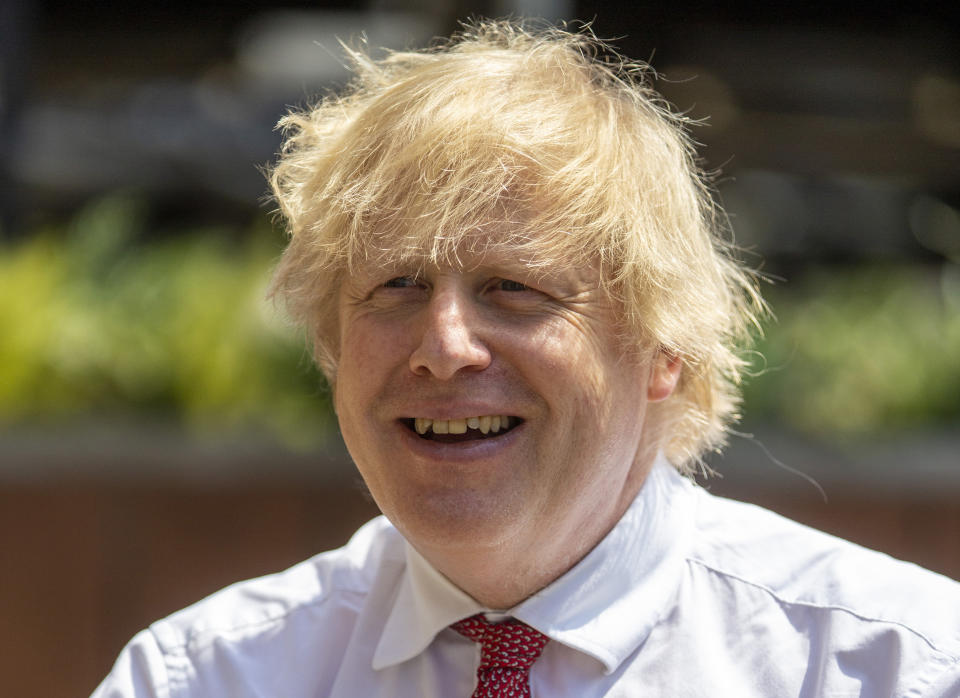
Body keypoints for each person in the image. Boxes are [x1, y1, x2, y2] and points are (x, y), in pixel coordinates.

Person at [92, 19, 960, 697]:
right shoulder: (202, 678)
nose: (444, 348)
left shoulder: (886, 670)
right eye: (395, 287)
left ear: (663, 352)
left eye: (514, 289)